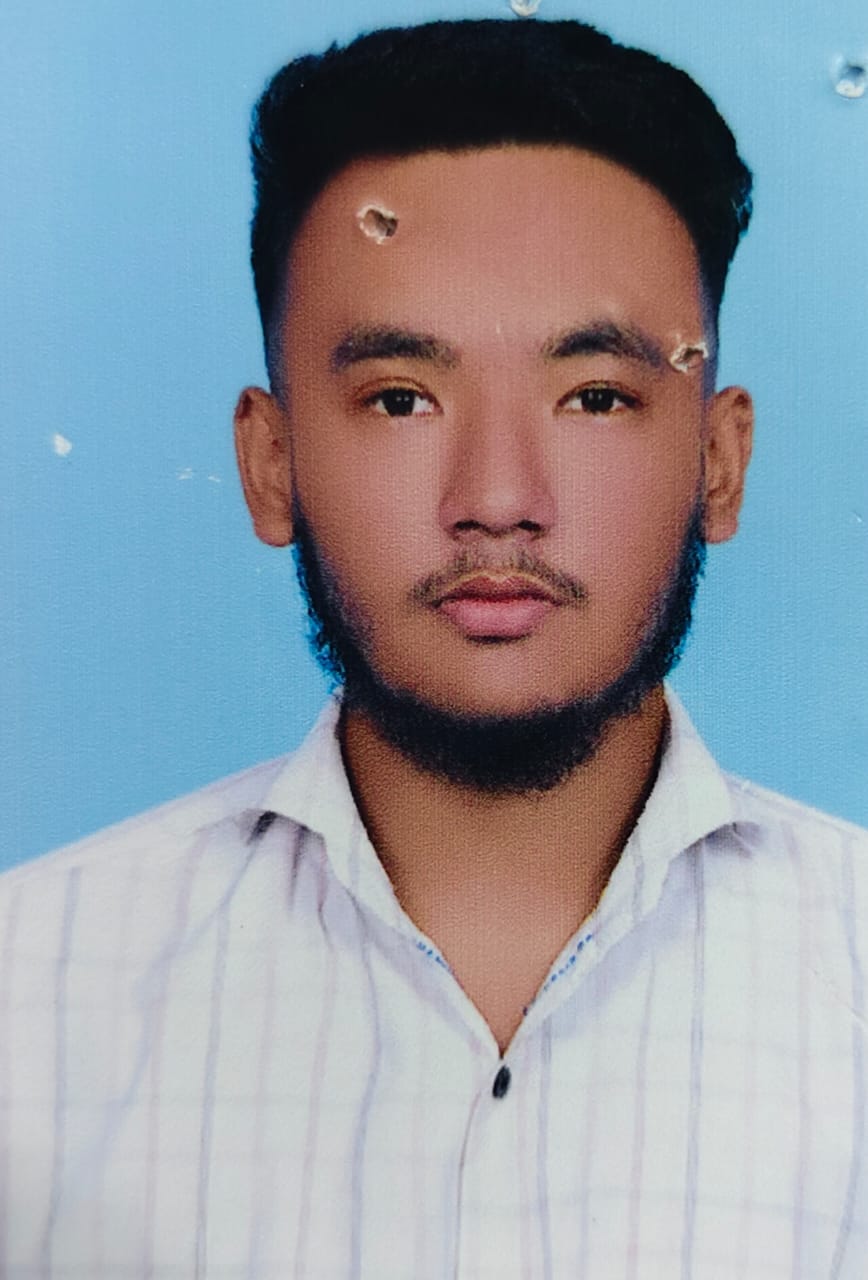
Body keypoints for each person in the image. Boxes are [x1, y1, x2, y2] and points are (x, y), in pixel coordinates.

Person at [1, 16, 865, 1278]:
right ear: (271, 462)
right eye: (401, 398)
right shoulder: (28, 998)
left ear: (718, 463)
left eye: (595, 396)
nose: (498, 498)